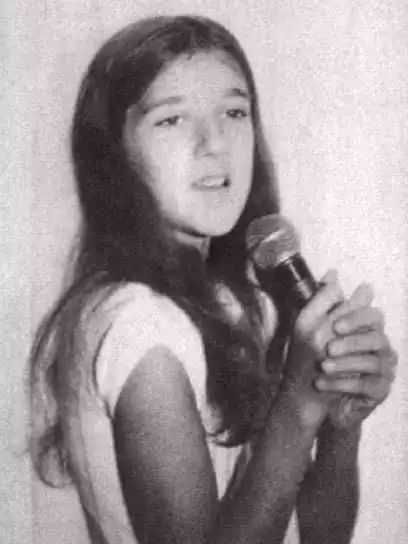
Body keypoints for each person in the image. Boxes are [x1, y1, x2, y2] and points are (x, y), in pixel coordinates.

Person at [29, 14, 397, 544]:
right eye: (172, 120)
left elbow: (318, 535)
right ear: (113, 155)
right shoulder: (140, 325)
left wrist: (339, 417)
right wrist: (297, 405)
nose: (214, 143)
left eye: (233, 111)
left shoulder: (224, 302)